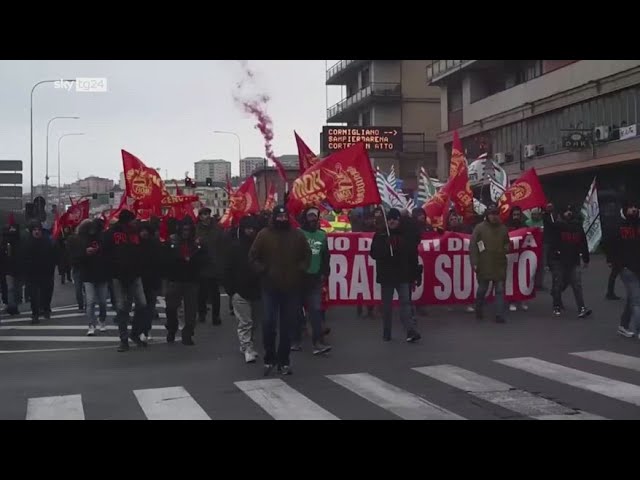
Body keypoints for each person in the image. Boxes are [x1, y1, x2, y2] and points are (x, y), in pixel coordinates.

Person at [249, 205, 311, 376]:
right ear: (274, 217)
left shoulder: (297, 235)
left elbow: (307, 255)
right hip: (270, 287)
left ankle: (284, 360)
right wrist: (262, 270)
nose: (282, 219)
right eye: (280, 216)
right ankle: (269, 357)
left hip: (292, 287)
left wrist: (301, 269)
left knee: (287, 326)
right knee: (268, 323)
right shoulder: (264, 235)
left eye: (285, 217)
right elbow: (253, 256)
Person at [369, 208, 421, 342]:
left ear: (399, 220)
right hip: (386, 276)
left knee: (405, 303)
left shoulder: (405, 234)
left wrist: (416, 273)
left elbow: (412, 255)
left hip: (402, 275)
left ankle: (410, 330)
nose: (392, 221)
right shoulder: (381, 234)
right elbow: (374, 253)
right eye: (390, 219)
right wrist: (386, 248)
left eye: (395, 219)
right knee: (387, 306)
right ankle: (387, 332)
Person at [103, 209, 148, 352]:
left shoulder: (136, 233)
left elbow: (141, 251)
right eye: (133, 219)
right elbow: (106, 252)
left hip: (135, 274)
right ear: (127, 221)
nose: (135, 222)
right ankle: (123, 340)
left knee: (142, 304)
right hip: (119, 276)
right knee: (122, 308)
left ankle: (134, 333)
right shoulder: (112, 234)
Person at [293, 207, 332, 355]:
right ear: (305, 217)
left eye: (314, 217)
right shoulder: (298, 234)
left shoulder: (322, 235)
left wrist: (325, 272)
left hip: (315, 279)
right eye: (310, 216)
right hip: (299, 278)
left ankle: (318, 342)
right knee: (296, 312)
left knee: (315, 311)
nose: (312, 219)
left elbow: (326, 256)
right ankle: (295, 341)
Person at [224, 215, 261, 363]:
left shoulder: (260, 247)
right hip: (240, 291)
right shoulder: (235, 247)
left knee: (255, 322)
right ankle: (247, 347)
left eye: (253, 228)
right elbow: (227, 269)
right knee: (245, 322)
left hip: (258, 291)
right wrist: (231, 290)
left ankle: (248, 344)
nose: (250, 231)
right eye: (247, 228)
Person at [164, 217, 205, 346]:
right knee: (171, 307)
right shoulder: (173, 242)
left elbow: (204, 259)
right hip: (175, 279)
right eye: (184, 229)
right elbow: (165, 259)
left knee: (191, 311)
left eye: (188, 230)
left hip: (191, 280)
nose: (186, 232)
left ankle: (187, 334)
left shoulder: (197, 244)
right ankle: (172, 328)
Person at [548, 205, 592, 318]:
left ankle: (582, 308)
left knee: (576, 284)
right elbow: (551, 244)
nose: (568, 213)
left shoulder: (577, 226)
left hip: (574, 260)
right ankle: (556, 305)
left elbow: (583, 243)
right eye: (566, 211)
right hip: (558, 260)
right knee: (558, 283)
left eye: (570, 211)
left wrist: (586, 258)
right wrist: (550, 261)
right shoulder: (556, 227)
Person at [606, 198, 640, 337]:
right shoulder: (617, 226)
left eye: (636, 207)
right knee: (637, 299)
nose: (634, 209)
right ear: (625, 210)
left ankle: (623, 325)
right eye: (630, 207)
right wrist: (614, 262)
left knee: (633, 298)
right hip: (626, 268)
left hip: (637, 266)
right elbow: (610, 244)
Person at [470, 205, 510, 324]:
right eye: (491, 214)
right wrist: (475, 262)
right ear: (487, 215)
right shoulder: (480, 228)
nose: (494, 216)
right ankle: (478, 307)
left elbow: (507, 243)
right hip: (484, 263)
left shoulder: (503, 228)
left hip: (499, 263)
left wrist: (505, 249)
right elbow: (473, 246)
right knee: (482, 289)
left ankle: (499, 315)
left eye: (496, 213)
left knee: (499, 290)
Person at [75, 219, 109, 336]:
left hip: (102, 274)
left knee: (103, 302)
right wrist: (85, 253)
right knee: (90, 302)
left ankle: (102, 319)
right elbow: (76, 257)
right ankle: (91, 324)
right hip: (88, 275)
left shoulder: (103, 238)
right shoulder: (81, 240)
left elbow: (109, 254)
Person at [21, 221, 58, 324]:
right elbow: (23, 258)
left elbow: (53, 256)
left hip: (45, 272)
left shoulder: (47, 242)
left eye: (38, 230)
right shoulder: (27, 243)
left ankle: (46, 309)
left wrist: (51, 268)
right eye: (35, 230)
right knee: (33, 295)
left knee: (46, 292)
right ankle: (35, 314)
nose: (37, 232)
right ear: (32, 231)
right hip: (32, 274)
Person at [195, 207, 226, 325]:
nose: (205, 216)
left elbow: (223, 246)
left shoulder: (217, 229)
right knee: (201, 292)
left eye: (207, 214)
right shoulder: (196, 229)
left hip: (214, 264)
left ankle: (216, 316)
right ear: (200, 216)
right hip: (202, 264)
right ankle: (202, 313)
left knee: (215, 292)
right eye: (203, 214)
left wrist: (221, 262)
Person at [139, 222, 163, 341]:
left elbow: (160, 262)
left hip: (152, 280)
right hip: (138, 280)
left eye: (145, 230)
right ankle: (141, 329)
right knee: (142, 306)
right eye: (141, 230)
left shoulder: (155, 244)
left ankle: (146, 330)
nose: (143, 233)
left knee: (150, 307)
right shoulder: (135, 244)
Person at [505, 206, 529, 312]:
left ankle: (522, 300)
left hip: (522, 256)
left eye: (518, 215)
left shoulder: (524, 225)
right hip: (510, 256)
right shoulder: (506, 226)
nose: (516, 217)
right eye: (514, 215)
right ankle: (512, 301)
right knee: (511, 280)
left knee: (523, 279)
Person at [0, 222, 22, 315]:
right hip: (14, 268)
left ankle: (10, 305)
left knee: (10, 288)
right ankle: (13, 305)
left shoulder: (4, 243)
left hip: (7, 269)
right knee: (14, 288)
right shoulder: (17, 241)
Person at [526, 207, 546, 291]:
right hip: (531, 245)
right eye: (533, 214)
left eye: (536, 214)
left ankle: (539, 284)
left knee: (541, 265)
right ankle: (530, 283)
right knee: (531, 265)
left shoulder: (543, 222)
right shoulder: (527, 223)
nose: (535, 216)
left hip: (541, 245)